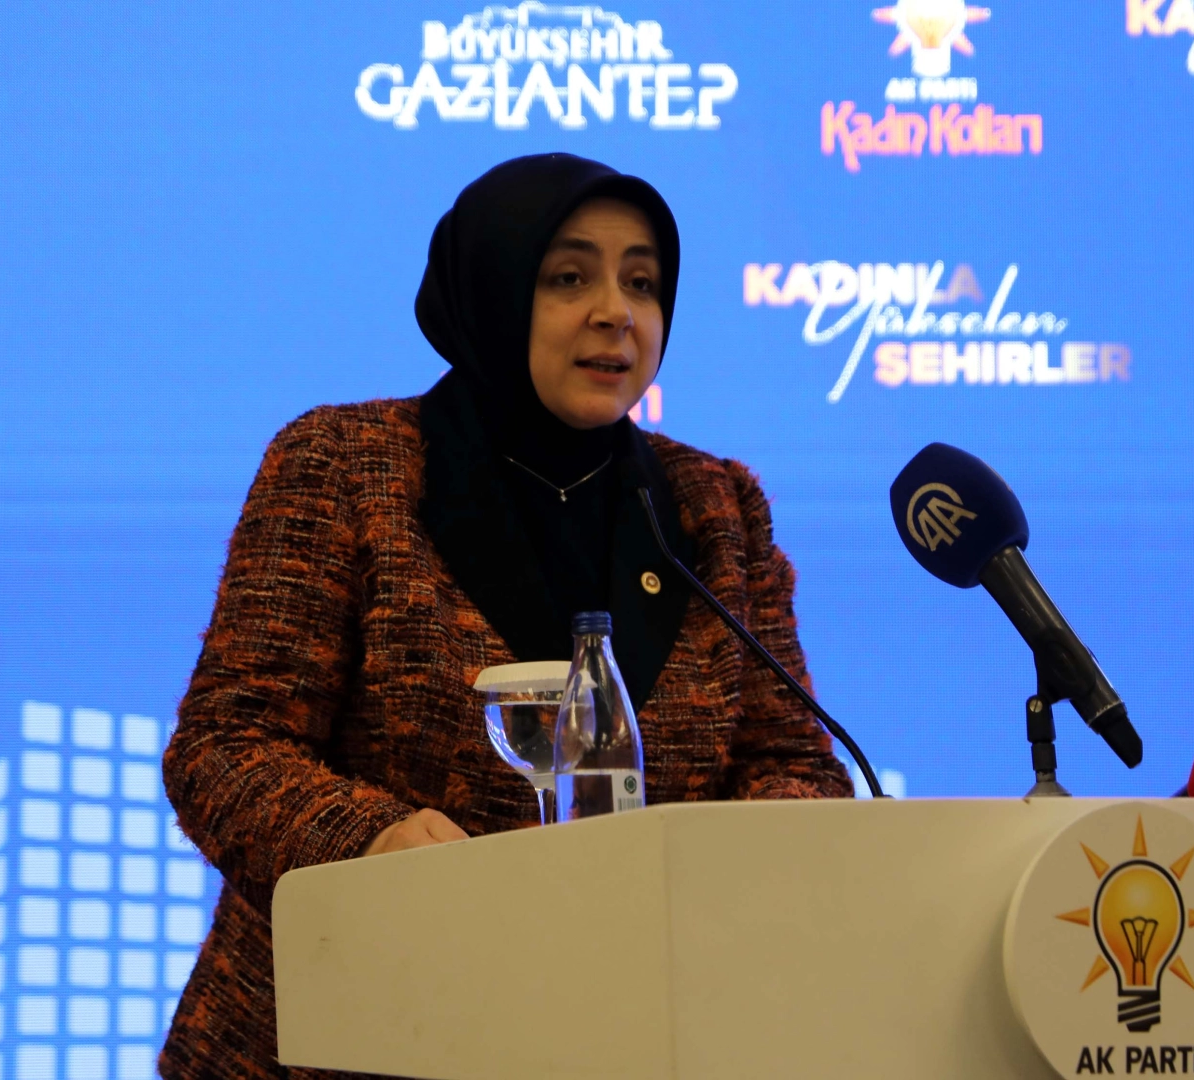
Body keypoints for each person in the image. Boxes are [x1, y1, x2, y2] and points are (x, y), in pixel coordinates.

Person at [158, 153, 853, 1078]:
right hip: (351, 1038)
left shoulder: (713, 506)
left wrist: (729, 870)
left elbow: (793, 765)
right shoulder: (347, 464)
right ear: (490, 288)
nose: (616, 311)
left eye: (642, 283)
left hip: (632, 1035)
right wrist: (369, 838)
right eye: (569, 277)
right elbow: (225, 746)